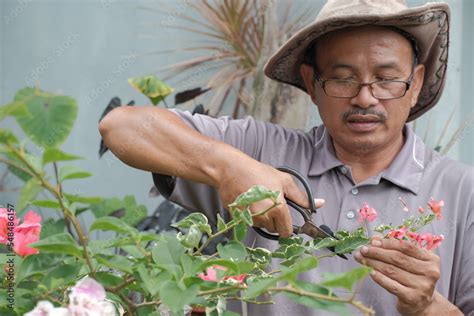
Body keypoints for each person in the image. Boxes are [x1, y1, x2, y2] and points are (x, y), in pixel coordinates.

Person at [99, 0, 473, 314]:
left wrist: (426, 307)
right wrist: (231, 166)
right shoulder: (262, 149)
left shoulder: (464, 192)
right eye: (342, 78)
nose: (365, 97)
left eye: (387, 78)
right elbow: (121, 127)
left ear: (417, 83)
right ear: (312, 83)